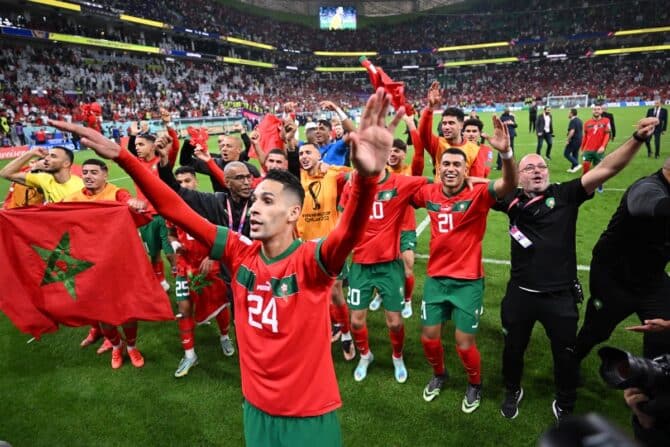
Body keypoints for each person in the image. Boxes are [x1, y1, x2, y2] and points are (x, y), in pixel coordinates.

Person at [51, 86, 404, 447]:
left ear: (293, 213)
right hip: (255, 408)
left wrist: (366, 178)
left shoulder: (312, 262)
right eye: (254, 201)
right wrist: (125, 158)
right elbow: (175, 210)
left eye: (267, 201)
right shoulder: (238, 251)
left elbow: (349, 229)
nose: (255, 209)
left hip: (308, 413)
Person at [493, 117, 658, 422]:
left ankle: (565, 402)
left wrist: (636, 138)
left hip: (560, 297)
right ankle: (512, 389)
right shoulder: (510, 199)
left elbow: (607, 168)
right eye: (529, 168)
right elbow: (479, 187)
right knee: (513, 350)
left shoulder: (566, 193)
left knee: (566, 355)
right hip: (521, 295)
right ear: (519, 176)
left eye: (541, 166)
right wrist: (504, 156)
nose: (538, 171)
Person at [415, 115, 516, 414]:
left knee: (463, 342)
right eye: (446, 164)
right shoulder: (427, 193)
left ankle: (475, 383)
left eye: (457, 165)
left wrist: (506, 154)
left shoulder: (478, 195)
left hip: (468, 281)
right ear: (439, 168)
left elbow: (510, 183)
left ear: (465, 169)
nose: (450, 169)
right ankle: (439, 375)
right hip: (435, 279)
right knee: (428, 337)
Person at [575, 147, 670, 365]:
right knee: (597, 331)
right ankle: (571, 362)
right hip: (613, 276)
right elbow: (645, 205)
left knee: (663, 330)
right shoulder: (647, 187)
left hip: (652, 278)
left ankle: (652, 380)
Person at [66, 158, 148, 369]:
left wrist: (133, 203)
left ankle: (131, 347)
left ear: (105, 175)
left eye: (94, 172)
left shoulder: (116, 193)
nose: (88, 176)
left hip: (119, 262)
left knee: (128, 309)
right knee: (102, 312)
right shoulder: (72, 199)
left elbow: (128, 200)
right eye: (85, 172)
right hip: (90, 264)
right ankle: (116, 346)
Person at [168, 166, 234, 378]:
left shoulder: (209, 205)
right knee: (184, 307)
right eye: (180, 183)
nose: (184, 186)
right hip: (185, 265)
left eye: (188, 181)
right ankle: (190, 355)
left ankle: (224, 337)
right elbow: (170, 233)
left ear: (195, 182)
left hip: (210, 263)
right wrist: (176, 246)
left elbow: (226, 234)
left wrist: (213, 256)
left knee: (219, 303)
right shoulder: (172, 208)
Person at [297, 143, 354, 360]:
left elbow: (358, 175)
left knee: (335, 292)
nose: (303, 156)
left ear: (319, 155)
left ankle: (346, 333)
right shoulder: (297, 179)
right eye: (301, 153)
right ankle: (333, 326)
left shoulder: (332, 173)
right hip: (305, 244)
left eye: (308, 152)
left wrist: (330, 167)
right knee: (314, 293)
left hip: (330, 243)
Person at [419, 81, 484, 176]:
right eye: (444, 123)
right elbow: (423, 133)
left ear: (461, 125)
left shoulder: (475, 150)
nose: (446, 127)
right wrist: (430, 107)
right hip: (440, 190)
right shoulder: (438, 144)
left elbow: (476, 180)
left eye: (451, 123)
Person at [179, 133, 261, 192]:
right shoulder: (214, 163)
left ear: (238, 150)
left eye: (228, 146)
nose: (224, 149)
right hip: (221, 208)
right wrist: (190, 142)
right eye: (222, 146)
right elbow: (185, 162)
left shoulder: (250, 169)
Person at [0, 146, 83, 203]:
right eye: (47, 156)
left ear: (66, 164)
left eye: (53, 156)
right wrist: (30, 153)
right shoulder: (43, 179)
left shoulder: (80, 187)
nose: (46, 158)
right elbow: (6, 173)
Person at [580, 104, 611, 182]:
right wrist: (582, 149)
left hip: (599, 150)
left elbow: (607, 134)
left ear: (601, 111)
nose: (596, 111)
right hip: (588, 150)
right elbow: (585, 137)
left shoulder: (606, 121)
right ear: (592, 111)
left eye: (598, 109)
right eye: (594, 109)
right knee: (585, 167)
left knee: (598, 169)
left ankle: (599, 184)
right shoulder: (587, 123)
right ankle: (584, 183)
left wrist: (603, 146)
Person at [565, 109, 583, 173]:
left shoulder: (572, 121)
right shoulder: (579, 120)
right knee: (575, 153)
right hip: (580, 140)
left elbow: (572, 131)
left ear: (572, 114)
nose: (568, 114)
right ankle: (573, 168)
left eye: (569, 113)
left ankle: (577, 164)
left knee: (566, 154)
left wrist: (568, 140)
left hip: (574, 140)